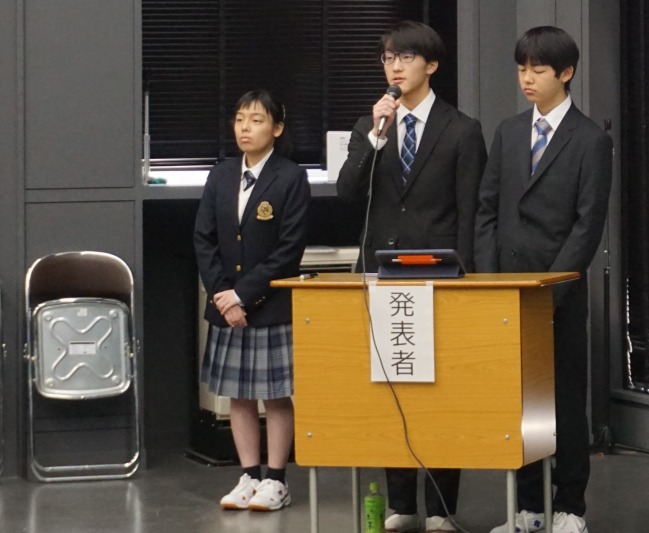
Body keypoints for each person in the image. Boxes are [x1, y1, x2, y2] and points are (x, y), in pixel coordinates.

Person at [337, 20, 487, 533]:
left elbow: (470, 211)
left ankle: (442, 507)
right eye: (388, 58)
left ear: (432, 65)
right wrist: (375, 138)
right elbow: (348, 193)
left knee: (440, 390)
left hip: (440, 277)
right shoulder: (371, 125)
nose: (395, 67)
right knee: (391, 384)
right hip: (382, 274)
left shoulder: (462, 129)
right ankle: (401, 503)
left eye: (405, 57)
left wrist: (466, 276)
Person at [477, 27, 612, 533]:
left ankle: (570, 507)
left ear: (566, 73)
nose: (526, 78)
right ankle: (529, 507)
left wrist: (551, 290)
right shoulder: (509, 131)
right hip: (506, 290)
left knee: (564, 402)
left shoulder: (590, 139)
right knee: (519, 404)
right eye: (521, 69)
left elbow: (587, 224)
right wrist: (491, 282)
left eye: (537, 69)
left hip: (559, 292)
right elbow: (487, 209)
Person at [194, 89, 310, 512]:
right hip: (226, 307)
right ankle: (249, 476)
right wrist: (224, 297)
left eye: (257, 120)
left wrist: (243, 295)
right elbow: (204, 239)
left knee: (275, 395)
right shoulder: (221, 174)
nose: (245, 128)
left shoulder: (291, 177)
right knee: (238, 395)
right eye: (240, 119)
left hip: (270, 306)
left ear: (277, 129)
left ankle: (276, 480)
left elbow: (289, 249)